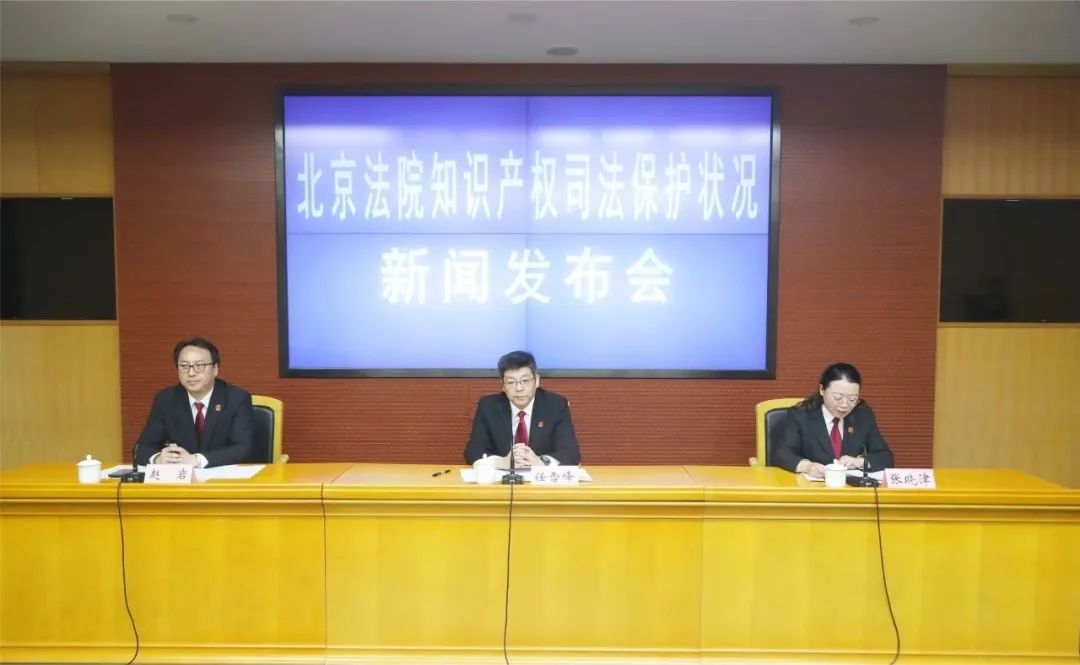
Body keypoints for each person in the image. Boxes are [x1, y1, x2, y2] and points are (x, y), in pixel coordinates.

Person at [133, 337, 255, 468]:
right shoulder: (166, 399)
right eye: (184, 366)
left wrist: (197, 460)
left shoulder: (236, 398)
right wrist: (158, 458)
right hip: (181, 478)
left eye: (199, 366)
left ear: (215, 369)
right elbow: (142, 448)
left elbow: (244, 448)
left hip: (224, 477)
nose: (191, 373)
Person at [773, 362, 894, 477]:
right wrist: (807, 467)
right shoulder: (800, 416)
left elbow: (885, 457)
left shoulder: (863, 416)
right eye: (837, 397)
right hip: (811, 486)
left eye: (852, 399)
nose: (845, 405)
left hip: (849, 487)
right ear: (822, 390)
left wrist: (859, 462)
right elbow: (782, 454)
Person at [464, 350, 581, 469]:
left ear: (537, 381)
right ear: (503, 385)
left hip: (541, 478)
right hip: (503, 477)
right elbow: (473, 451)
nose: (519, 388)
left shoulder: (556, 405)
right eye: (511, 382)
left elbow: (571, 453)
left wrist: (540, 461)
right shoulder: (489, 406)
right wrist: (502, 462)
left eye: (525, 381)